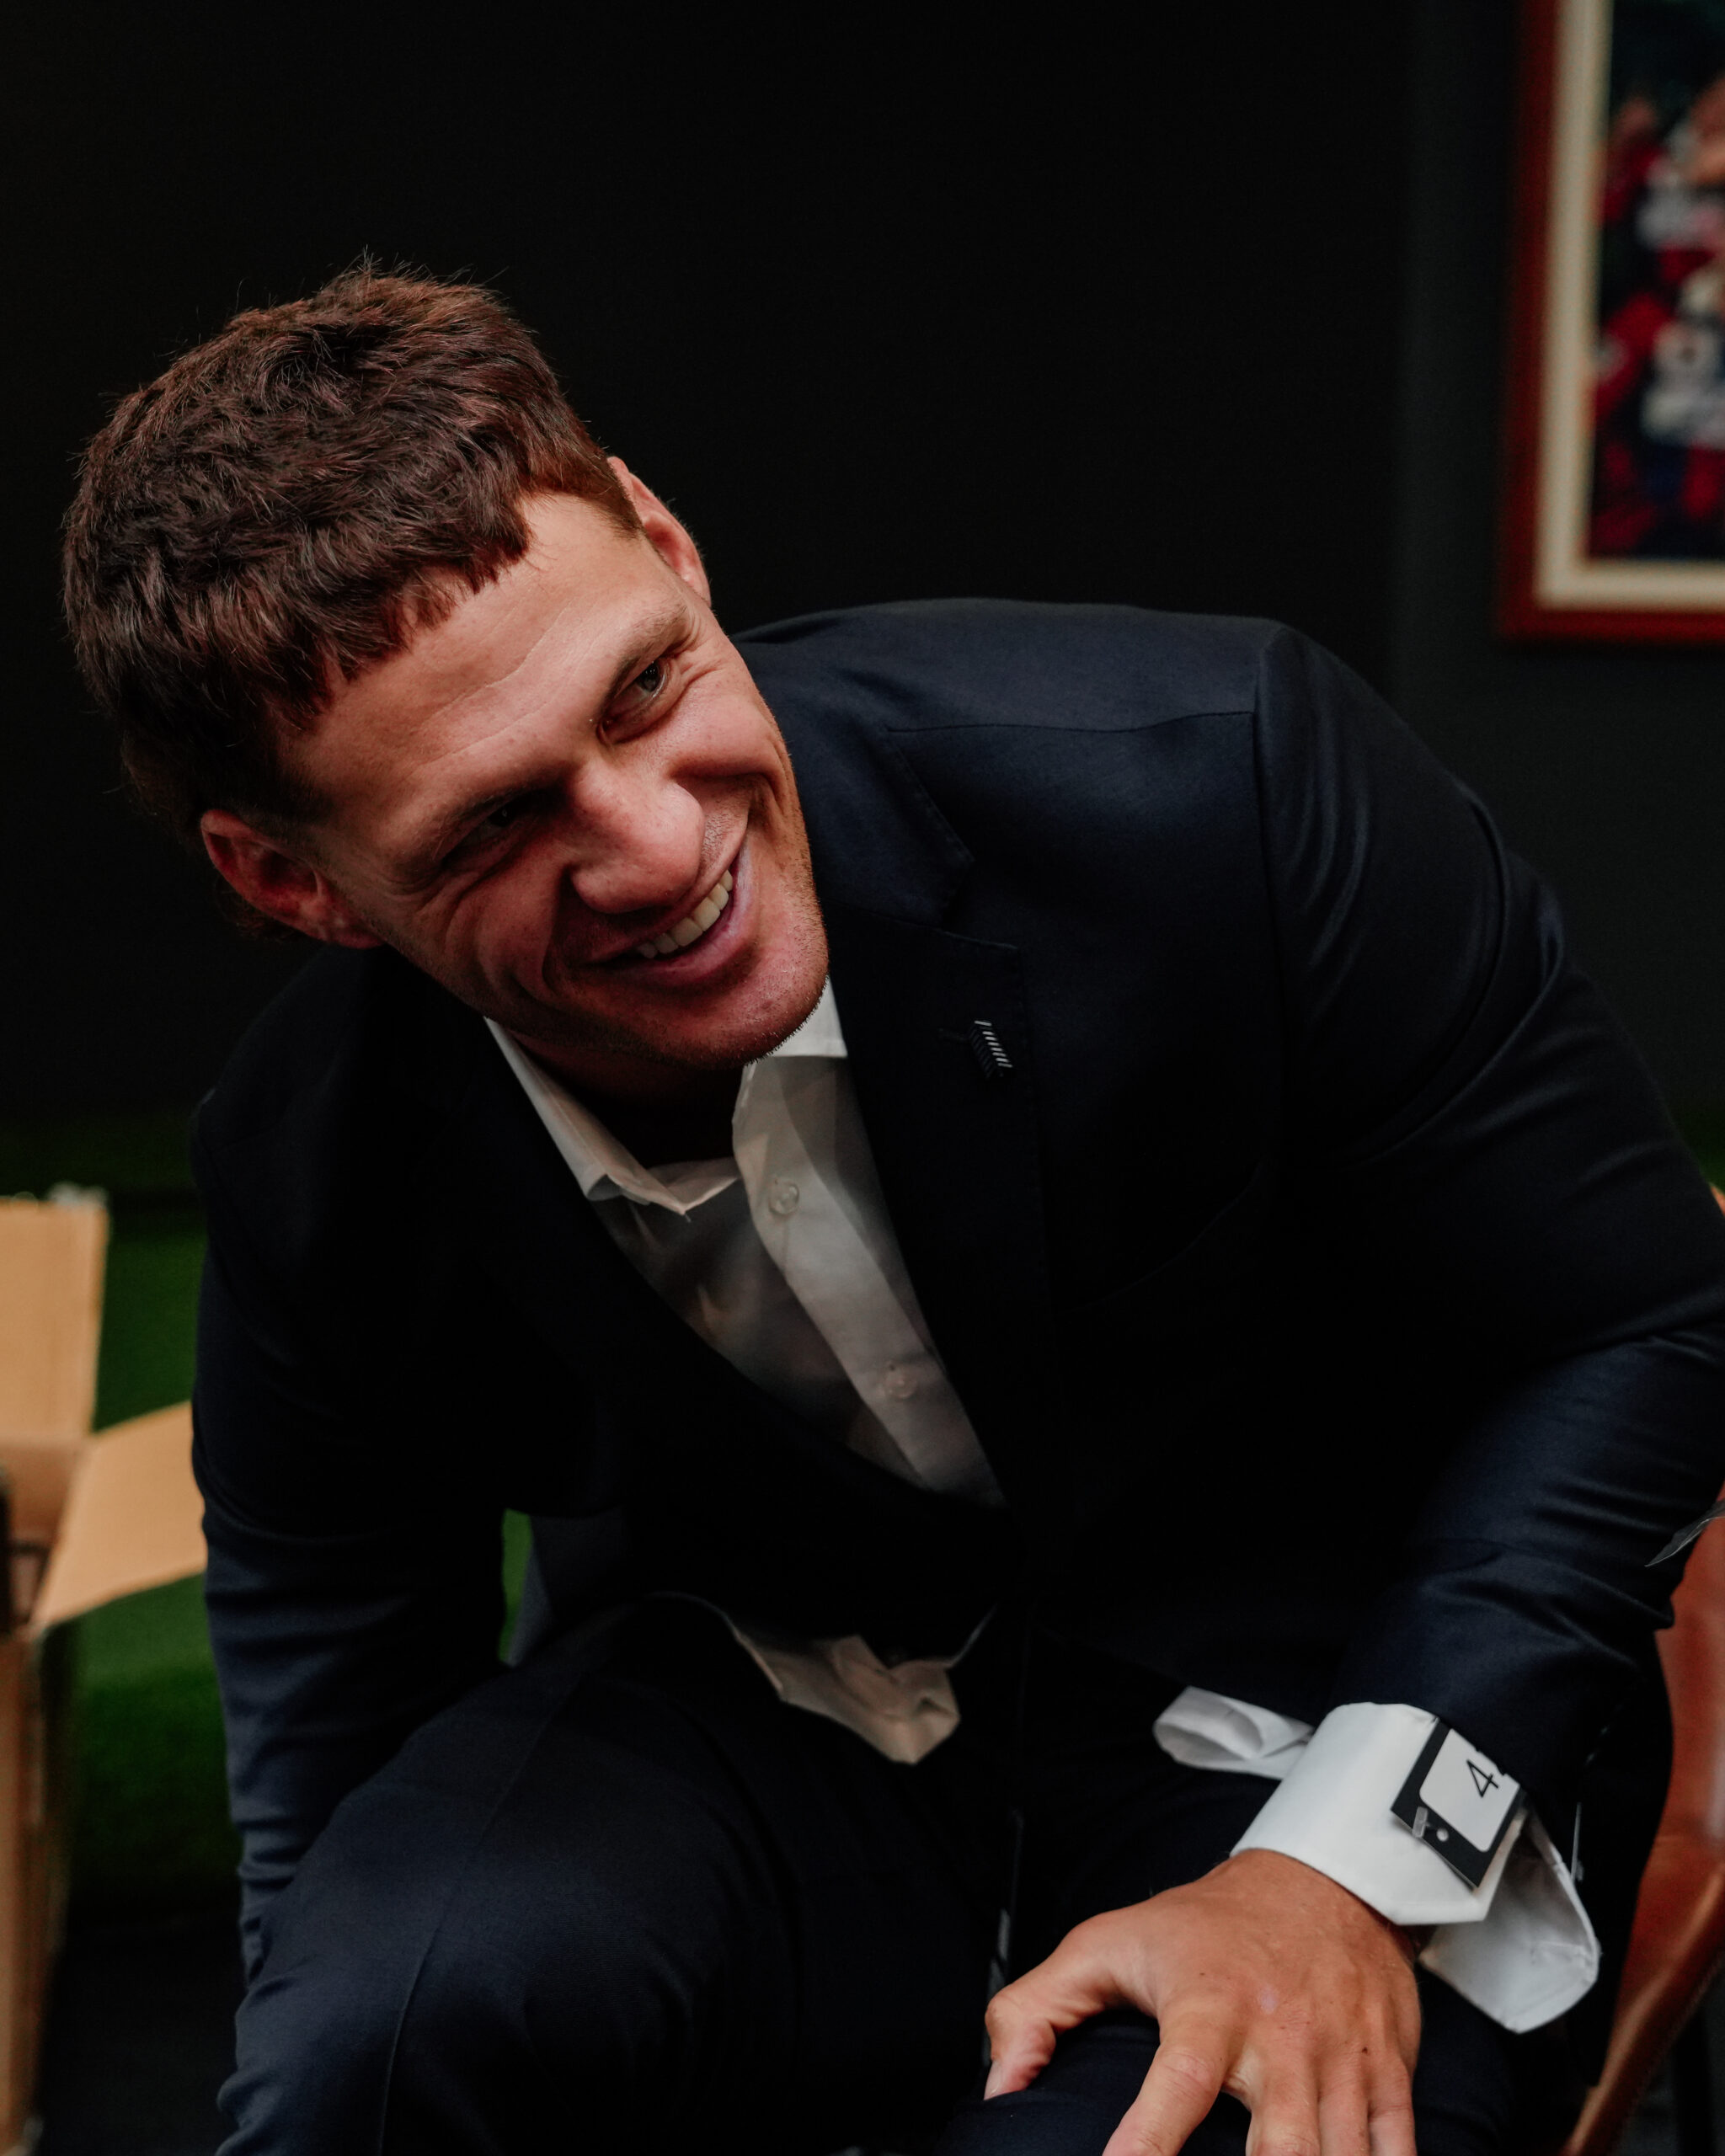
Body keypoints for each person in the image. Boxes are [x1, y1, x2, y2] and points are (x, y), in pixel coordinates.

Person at [60, 269, 1725, 2156]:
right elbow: (341, 1748)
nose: (661, 847)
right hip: (777, 1752)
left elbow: (1639, 1321)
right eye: (495, 824)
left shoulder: (1221, 775)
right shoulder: (314, 1155)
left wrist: (1340, 1876)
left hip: (1328, 1717)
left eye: (647, 686)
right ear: (291, 881)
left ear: (665, 541)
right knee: (372, 2046)